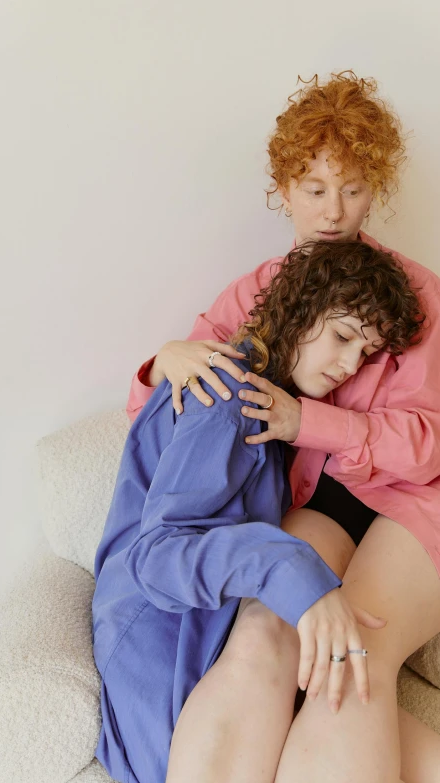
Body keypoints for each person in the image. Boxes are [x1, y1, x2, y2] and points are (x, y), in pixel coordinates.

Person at [126, 73, 440, 782]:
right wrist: (164, 362)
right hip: (314, 505)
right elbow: (158, 415)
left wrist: (309, 419)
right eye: (315, 188)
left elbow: (425, 448)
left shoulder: (415, 291)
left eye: (353, 188)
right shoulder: (256, 292)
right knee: (268, 631)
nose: (334, 211)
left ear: (376, 189)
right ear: (283, 187)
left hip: (417, 500)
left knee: (353, 641)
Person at [92, 238, 424, 783]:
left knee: (348, 681)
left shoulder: (265, 406)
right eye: (342, 336)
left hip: (208, 632)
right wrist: (294, 572)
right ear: (299, 308)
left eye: (364, 353)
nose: (348, 365)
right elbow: (155, 557)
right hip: (163, 649)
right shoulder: (226, 396)